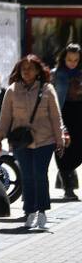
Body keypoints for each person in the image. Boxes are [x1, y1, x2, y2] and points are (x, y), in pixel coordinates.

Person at [0, 55, 69, 230]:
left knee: (39, 175)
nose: (27, 72)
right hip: (21, 141)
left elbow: (56, 117)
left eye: (31, 69)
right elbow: (5, 118)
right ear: (18, 71)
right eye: (23, 69)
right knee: (27, 176)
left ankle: (42, 211)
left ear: (38, 71)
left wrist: (60, 139)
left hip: (45, 140)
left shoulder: (48, 89)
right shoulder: (12, 91)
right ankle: (30, 211)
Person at [53, 43, 82, 199]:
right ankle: (68, 187)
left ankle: (66, 175)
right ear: (64, 58)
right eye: (69, 59)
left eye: (76, 60)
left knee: (78, 150)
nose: (72, 63)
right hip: (62, 114)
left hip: (79, 114)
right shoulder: (56, 74)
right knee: (62, 149)